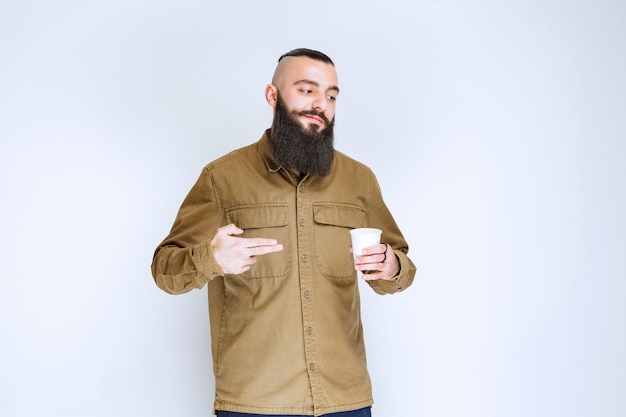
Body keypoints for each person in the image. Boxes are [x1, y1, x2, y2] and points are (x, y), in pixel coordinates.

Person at [151, 48, 416, 417]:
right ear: (272, 96)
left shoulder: (360, 181)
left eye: (331, 95)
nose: (321, 104)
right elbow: (165, 271)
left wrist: (391, 266)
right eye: (307, 90)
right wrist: (211, 259)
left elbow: (401, 268)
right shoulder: (222, 178)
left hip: (346, 399)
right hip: (255, 402)